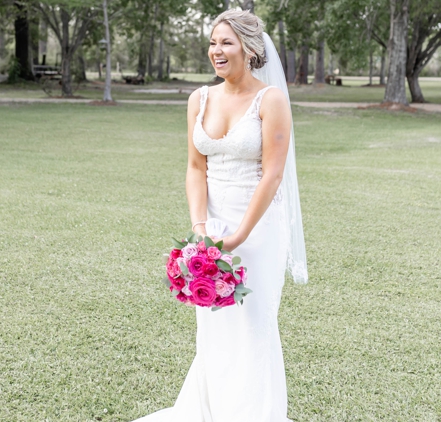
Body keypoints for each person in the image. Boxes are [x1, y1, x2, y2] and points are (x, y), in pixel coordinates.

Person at [133, 9, 308, 422]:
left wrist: (240, 235)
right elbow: (196, 168)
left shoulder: (272, 100)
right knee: (214, 326)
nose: (217, 50)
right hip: (211, 225)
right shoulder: (199, 99)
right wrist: (201, 231)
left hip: (258, 226)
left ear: (249, 49)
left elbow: (273, 174)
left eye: (226, 42)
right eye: (213, 42)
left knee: (252, 325)